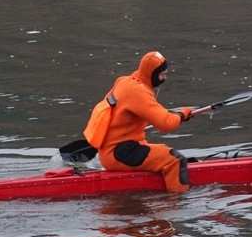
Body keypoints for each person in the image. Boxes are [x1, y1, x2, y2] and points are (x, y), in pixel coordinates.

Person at [82, 51, 195, 193]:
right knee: (174, 159)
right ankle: (177, 203)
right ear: (152, 74)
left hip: (111, 151)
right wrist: (182, 115)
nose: (165, 78)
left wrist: (175, 116)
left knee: (162, 149)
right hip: (120, 153)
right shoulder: (138, 92)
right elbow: (165, 124)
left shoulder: (123, 81)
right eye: (162, 75)